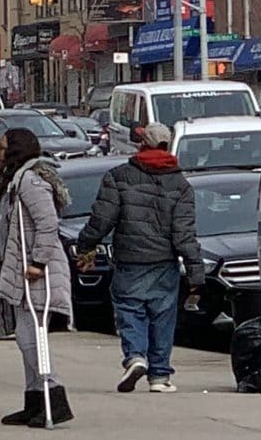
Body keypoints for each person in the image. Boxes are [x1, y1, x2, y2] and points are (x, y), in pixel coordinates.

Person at [75, 121, 204, 394]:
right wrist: (196, 274)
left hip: (129, 261)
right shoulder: (181, 186)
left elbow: (102, 219)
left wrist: (85, 245)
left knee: (129, 309)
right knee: (162, 316)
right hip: (164, 263)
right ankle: (159, 376)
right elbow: (184, 235)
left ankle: (135, 356)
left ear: (141, 144)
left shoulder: (118, 177)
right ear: (167, 146)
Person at [0, 127, 74, 427]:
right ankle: (34, 399)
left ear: (15, 151)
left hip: (38, 272)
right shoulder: (15, 181)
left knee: (30, 338)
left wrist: (38, 262)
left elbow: (47, 223)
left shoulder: (31, 180)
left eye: (1, 148)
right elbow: (10, 224)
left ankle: (54, 395)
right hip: (20, 268)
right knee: (26, 337)